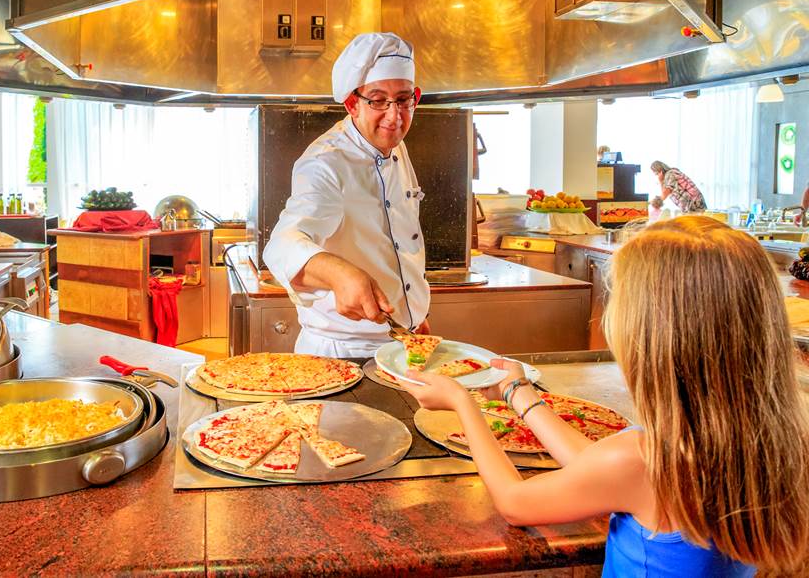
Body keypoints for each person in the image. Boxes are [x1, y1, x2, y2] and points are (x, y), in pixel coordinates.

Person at [401, 216, 809, 576]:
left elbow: (515, 502)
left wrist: (462, 402)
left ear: (654, 340)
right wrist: (515, 391)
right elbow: (595, 467)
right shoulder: (769, 443)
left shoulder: (645, 460)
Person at [262, 32, 430, 358]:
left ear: (415, 97)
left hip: (402, 341)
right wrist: (340, 274)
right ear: (353, 104)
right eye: (378, 100)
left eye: (403, 99)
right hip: (345, 351)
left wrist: (414, 314)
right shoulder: (325, 163)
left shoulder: (394, 144)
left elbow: (395, 240)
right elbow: (281, 246)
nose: (395, 116)